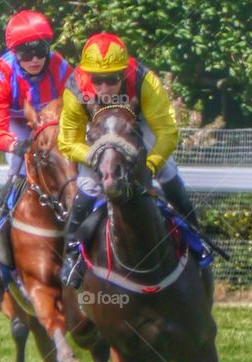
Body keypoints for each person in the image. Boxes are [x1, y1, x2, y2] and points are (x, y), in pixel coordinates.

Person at [57, 32, 209, 290]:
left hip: (137, 127)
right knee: (88, 186)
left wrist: (150, 166)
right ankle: (72, 253)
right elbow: (67, 141)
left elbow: (167, 131)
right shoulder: (75, 89)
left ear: (123, 72)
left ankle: (196, 239)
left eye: (112, 80)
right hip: (99, 134)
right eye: (98, 81)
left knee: (167, 172)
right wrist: (93, 158)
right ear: (87, 76)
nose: (104, 89)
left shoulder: (144, 80)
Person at [0, 10, 72, 266]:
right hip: (17, 124)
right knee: (18, 167)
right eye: (25, 53)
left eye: (40, 50)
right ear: (14, 51)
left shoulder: (61, 68)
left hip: (52, 122)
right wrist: (15, 144)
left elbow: (76, 110)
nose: (34, 59)